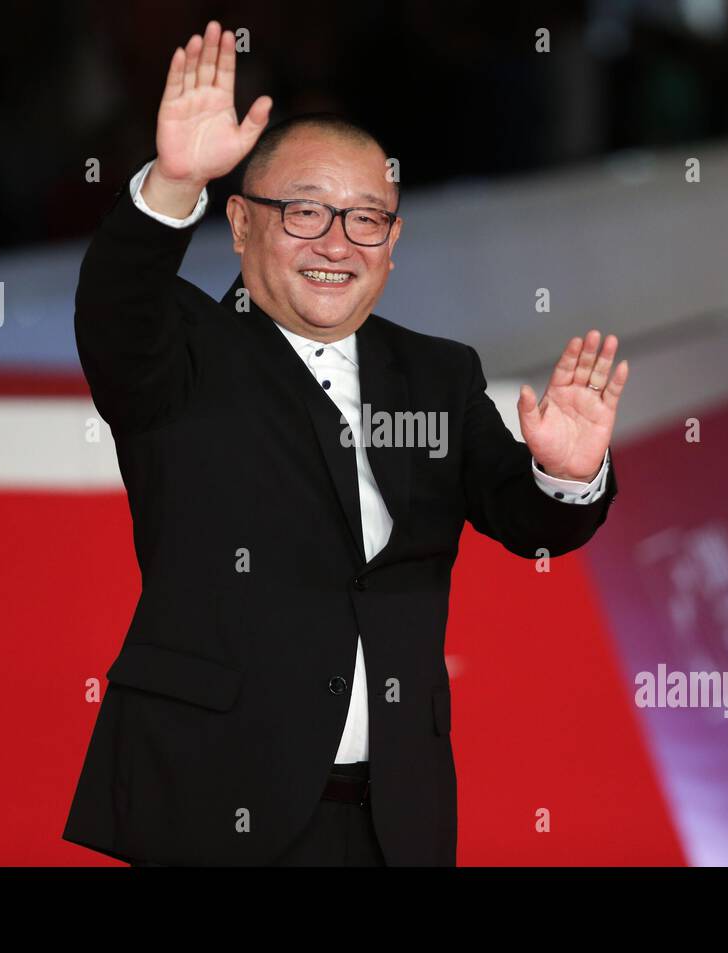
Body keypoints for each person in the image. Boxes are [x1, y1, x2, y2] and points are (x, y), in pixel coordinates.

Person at [63, 20, 630, 866]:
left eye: (367, 219)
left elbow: (530, 523)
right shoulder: (179, 351)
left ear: (393, 246)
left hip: (392, 821)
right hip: (213, 810)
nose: (337, 244)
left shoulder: (437, 374)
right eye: (305, 213)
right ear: (243, 225)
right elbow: (118, 302)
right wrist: (174, 181)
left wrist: (565, 475)